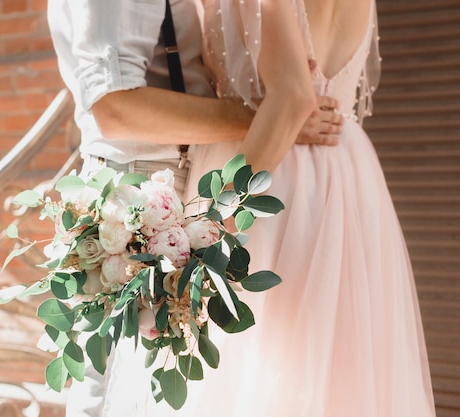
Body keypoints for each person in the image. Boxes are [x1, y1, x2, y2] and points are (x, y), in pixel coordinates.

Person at [137, 0, 436, 416]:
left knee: (270, 370)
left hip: (270, 173)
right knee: (339, 368)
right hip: (347, 169)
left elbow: (294, 98)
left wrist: (209, 226)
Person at [46, 1, 344, 416]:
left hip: (167, 184)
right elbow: (116, 106)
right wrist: (266, 115)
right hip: (139, 195)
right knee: (114, 391)